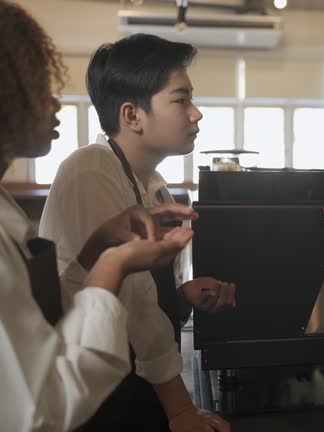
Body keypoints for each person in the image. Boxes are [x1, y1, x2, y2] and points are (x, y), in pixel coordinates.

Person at [0, 1, 197, 430]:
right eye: (34, 84)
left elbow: (61, 300)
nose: (54, 102)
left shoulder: (153, 181)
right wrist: (114, 261)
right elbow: (43, 409)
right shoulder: (89, 168)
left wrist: (99, 248)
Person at [39, 34, 235, 431]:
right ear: (132, 115)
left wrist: (183, 298)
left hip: (135, 380)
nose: (196, 114)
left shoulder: (156, 185)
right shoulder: (90, 170)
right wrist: (180, 409)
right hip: (98, 394)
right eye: (181, 100)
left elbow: (151, 300)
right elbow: (134, 306)